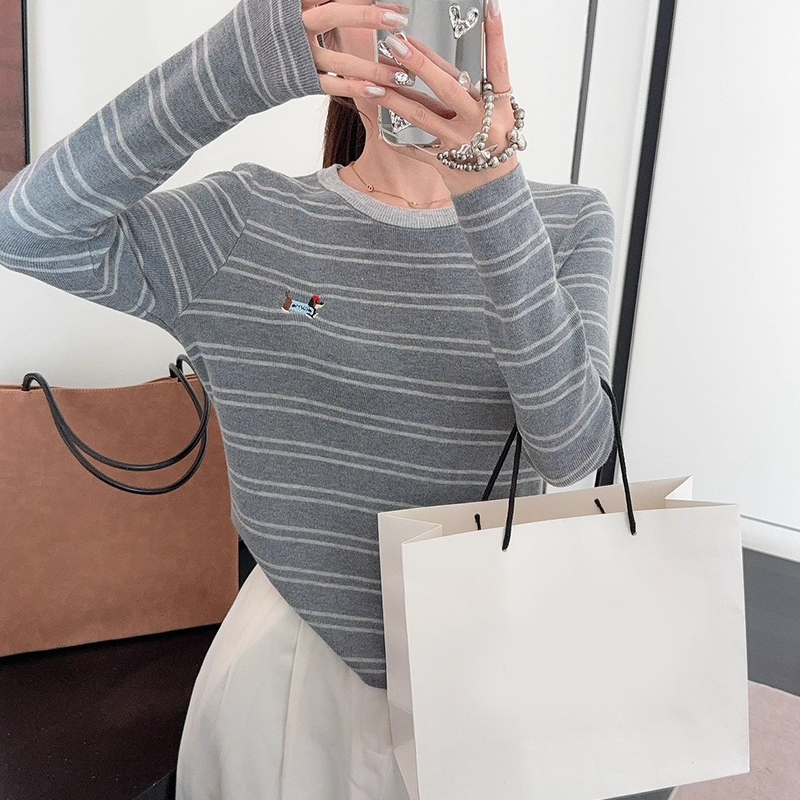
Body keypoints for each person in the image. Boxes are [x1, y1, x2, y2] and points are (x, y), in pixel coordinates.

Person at [0, 0, 617, 796]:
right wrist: (242, 64)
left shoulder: (564, 221)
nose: (416, 34)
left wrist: (490, 187)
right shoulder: (247, 221)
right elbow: (30, 227)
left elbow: (571, 449)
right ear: (326, 30)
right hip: (293, 664)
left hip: (487, 659)